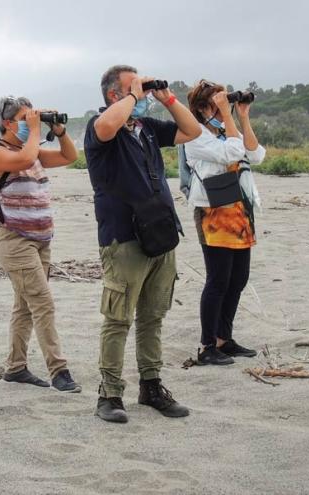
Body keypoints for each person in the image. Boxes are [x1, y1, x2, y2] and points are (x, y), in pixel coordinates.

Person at [84, 65, 201, 423]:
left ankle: (151, 386)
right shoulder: (100, 125)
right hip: (123, 238)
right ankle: (109, 394)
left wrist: (165, 97)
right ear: (112, 95)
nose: (142, 94)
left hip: (160, 234)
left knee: (152, 317)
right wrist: (135, 94)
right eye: (132, 87)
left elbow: (192, 130)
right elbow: (106, 127)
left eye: (143, 87)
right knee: (118, 319)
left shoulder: (146, 129)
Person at [0, 95, 81, 393]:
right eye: (25, 119)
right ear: (7, 123)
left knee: (25, 306)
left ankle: (15, 367)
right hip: (14, 240)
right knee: (42, 303)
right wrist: (36, 130)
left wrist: (60, 130)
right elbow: (25, 159)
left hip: (40, 241)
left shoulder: (33, 150)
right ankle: (59, 370)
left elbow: (69, 157)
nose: (31, 124)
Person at [183, 80, 266, 366]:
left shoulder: (226, 129)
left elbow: (256, 154)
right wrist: (228, 116)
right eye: (215, 104)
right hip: (214, 214)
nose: (221, 109)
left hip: (240, 211)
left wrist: (241, 116)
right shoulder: (194, 135)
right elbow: (231, 153)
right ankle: (207, 345)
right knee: (218, 280)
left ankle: (224, 339)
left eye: (222, 102)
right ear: (201, 108)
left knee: (238, 279)